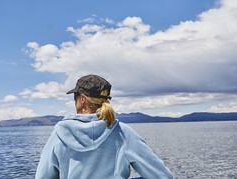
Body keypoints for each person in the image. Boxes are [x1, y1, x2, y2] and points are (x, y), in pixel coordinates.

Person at [35, 74, 173, 179]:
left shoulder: (59, 135)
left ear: (82, 99)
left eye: (75, 98)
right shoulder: (122, 133)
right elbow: (162, 176)